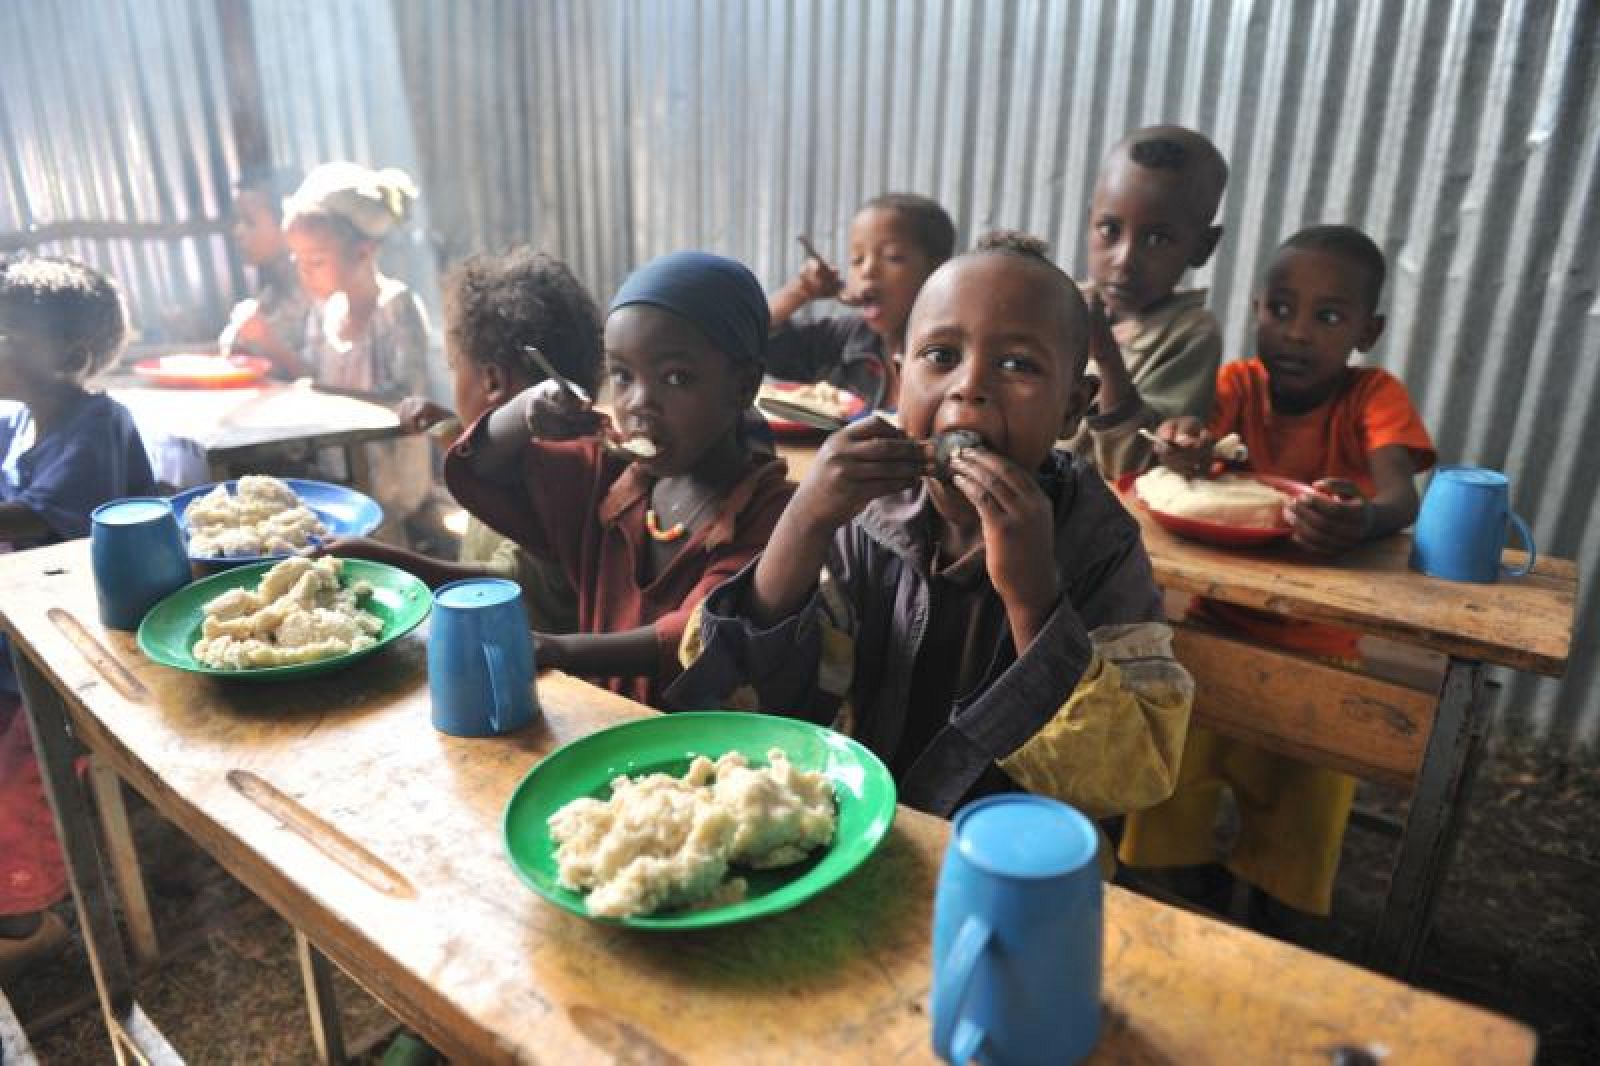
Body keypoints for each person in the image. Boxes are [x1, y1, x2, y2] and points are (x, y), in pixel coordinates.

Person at [669, 233, 1194, 825]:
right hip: (853, 825)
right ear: (900, 380)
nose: (970, 386)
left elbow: (1135, 769)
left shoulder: (1098, 541)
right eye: (941, 356)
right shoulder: (867, 511)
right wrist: (804, 521)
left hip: (1010, 853)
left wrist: (1033, 599)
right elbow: (744, 697)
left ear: (1073, 407)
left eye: (1018, 365)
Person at [1118, 225, 1438, 920]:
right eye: (1281, 309)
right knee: (1178, 766)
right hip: (1216, 619)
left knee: (1304, 795)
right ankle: (1176, 878)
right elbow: (1191, 448)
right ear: (1257, 307)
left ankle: (1276, 896)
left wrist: (1360, 519)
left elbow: (1398, 498)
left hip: (1325, 643)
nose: (1296, 333)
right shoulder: (1235, 384)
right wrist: (1181, 445)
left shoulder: (1372, 397)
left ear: (1368, 329)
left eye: (1328, 317)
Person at [443, 251, 795, 706]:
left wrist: (555, 648)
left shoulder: (770, 512)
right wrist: (525, 411)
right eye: (623, 377)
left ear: (743, 386)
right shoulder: (608, 481)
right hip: (600, 745)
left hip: (704, 765)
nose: (638, 403)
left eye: (675, 378)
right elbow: (479, 470)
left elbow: (695, 633)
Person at [0, 256, 157, 982]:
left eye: (8, 337)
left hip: (81, 653)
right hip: (20, 638)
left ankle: (29, 918)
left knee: (18, 774)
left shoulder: (98, 426)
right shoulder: (20, 424)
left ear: (67, 358)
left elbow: (40, 520)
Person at [325, 249, 602, 634]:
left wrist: (388, 563)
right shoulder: (569, 447)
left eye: (455, 368)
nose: (453, 381)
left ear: (492, 382)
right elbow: (485, 463)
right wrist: (447, 429)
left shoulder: (554, 472)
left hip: (533, 661)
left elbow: (508, 583)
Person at [1065, 126, 1229, 477]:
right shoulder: (1060, 303)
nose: (1125, 259)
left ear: (1203, 246)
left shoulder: (1190, 335)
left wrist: (1106, 357)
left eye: (1157, 239)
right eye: (1109, 229)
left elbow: (1139, 465)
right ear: (1089, 219)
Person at [765, 193, 956, 410]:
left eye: (892, 257)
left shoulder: (957, 358)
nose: (867, 270)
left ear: (937, 271)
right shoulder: (849, 339)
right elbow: (755, 339)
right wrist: (799, 292)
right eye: (857, 259)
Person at [282, 162, 430, 401]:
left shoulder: (395, 308)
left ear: (364, 252)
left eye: (316, 261)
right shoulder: (326, 311)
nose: (304, 273)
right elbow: (314, 373)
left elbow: (408, 399)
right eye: (297, 260)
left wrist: (325, 394)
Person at [217, 166, 309, 373]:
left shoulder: (319, 293)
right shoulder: (271, 293)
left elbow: (324, 379)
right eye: (237, 220)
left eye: (249, 222)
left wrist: (266, 340)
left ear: (288, 226)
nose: (237, 232)